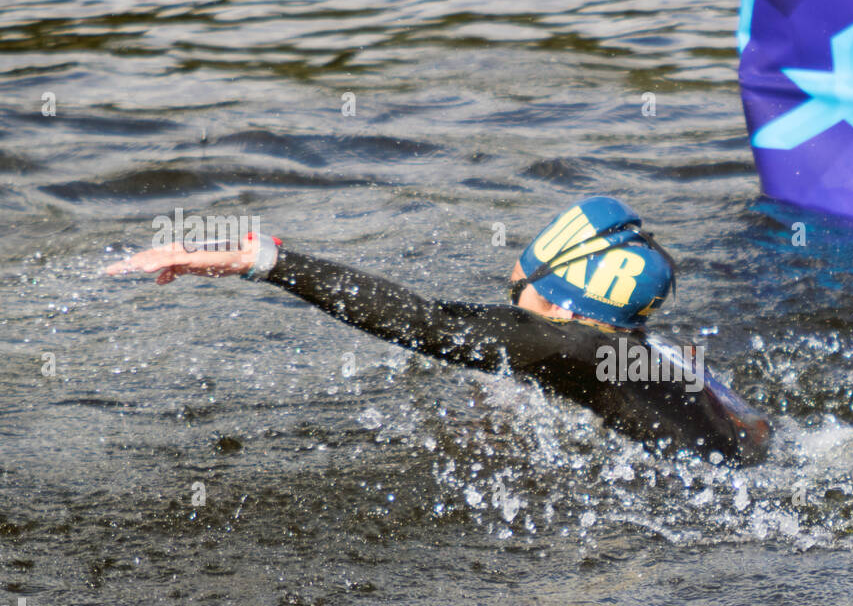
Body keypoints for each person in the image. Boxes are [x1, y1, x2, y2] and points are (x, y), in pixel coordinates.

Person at [105, 196, 771, 464]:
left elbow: (423, 322)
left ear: (563, 305)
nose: (512, 307)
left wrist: (264, 262)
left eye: (522, 296)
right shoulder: (651, 355)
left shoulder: (568, 346)